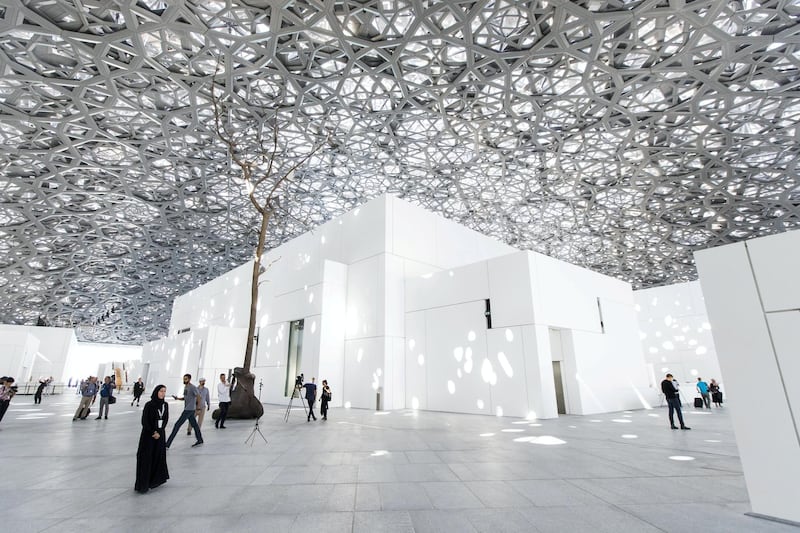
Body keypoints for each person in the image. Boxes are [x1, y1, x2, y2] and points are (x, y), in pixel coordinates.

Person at [135, 385, 170, 493]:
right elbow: (145, 421)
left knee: (158, 456)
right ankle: (143, 483)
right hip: (148, 436)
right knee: (146, 458)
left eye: (164, 391)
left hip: (160, 435)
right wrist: (153, 432)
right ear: (156, 392)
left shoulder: (165, 405)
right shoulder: (149, 405)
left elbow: (165, 419)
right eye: (161, 391)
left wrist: (160, 431)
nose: (163, 393)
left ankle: (155, 480)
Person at [165, 374, 203, 448]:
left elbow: (198, 397)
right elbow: (185, 398)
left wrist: (198, 408)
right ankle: (200, 439)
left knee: (177, 425)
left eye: (186, 379)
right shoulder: (186, 387)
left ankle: (167, 444)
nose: (184, 380)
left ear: (189, 379)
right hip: (188, 409)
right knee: (195, 425)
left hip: (189, 410)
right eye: (184, 379)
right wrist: (178, 398)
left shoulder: (192, 387)